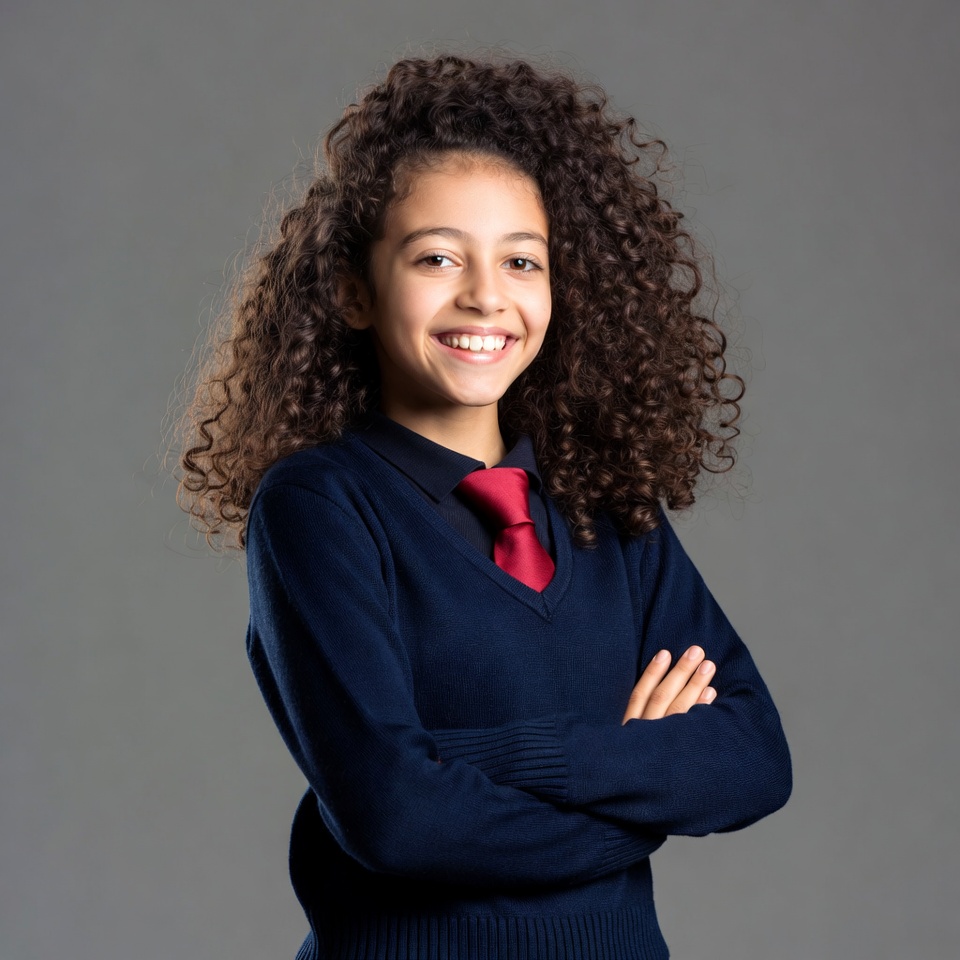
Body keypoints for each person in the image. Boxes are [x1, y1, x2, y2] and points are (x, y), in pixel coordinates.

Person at [178, 53, 791, 960]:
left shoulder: (608, 505)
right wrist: (637, 792)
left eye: (521, 261)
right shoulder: (318, 506)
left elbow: (753, 758)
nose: (485, 296)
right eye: (437, 257)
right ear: (354, 289)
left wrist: (496, 758)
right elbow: (397, 816)